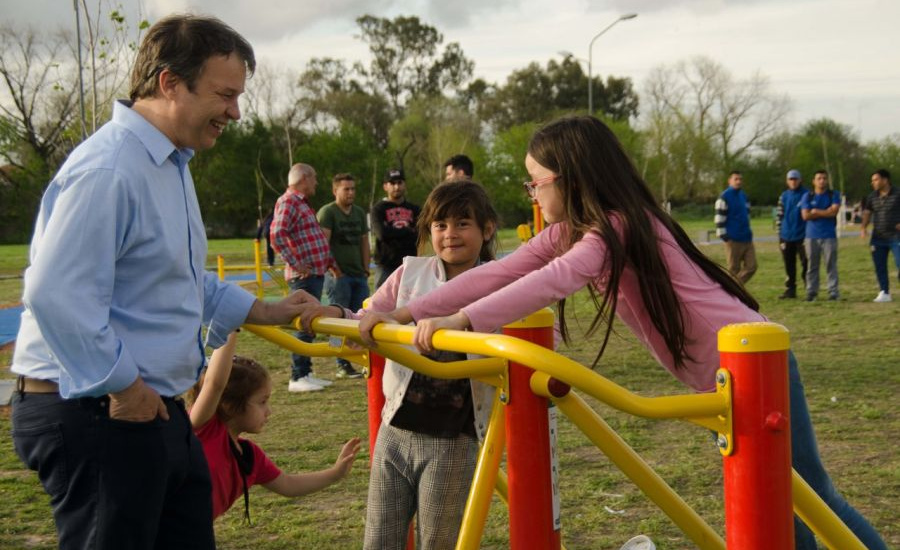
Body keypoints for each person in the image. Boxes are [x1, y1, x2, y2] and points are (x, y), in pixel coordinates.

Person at [357, 116, 888, 550]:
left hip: (754, 366)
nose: (533, 194)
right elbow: (504, 271)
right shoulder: (580, 229)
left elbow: (553, 280)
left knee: (810, 497)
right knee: (783, 500)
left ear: (571, 178)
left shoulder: (616, 227)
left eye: (536, 182)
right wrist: (408, 313)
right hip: (722, 379)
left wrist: (462, 321)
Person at [9, 15, 316, 550]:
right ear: (169, 82)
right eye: (225, 94)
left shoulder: (168, 164)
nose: (235, 112)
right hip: (99, 409)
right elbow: (56, 294)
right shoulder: (111, 169)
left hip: (146, 407)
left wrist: (266, 310)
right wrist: (124, 387)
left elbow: (176, 281)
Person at [302, 179, 498, 550]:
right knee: (379, 538)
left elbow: (537, 329)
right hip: (395, 429)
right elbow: (369, 314)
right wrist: (332, 313)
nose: (450, 234)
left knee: (438, 541)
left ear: (487, 229)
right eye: (440, 225)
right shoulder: (411, 273)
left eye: (462, 223)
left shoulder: (500, 285)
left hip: (453, 437)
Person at [190, 331, 360, 522]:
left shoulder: (250, 456)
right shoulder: (203, 429)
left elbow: (288, 485)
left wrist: (335, 473)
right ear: (229, 404)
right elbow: (215, 383)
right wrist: (230, 325)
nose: (268, 411)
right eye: (262, 402)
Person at [270, 163, 339, 392]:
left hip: (314, 274)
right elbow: (277, 233)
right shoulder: (289, 201)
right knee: (304, 322)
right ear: (305, 178)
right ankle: (298, 376)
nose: (317, 182)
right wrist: (295, 262)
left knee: (310, 323)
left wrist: (328, 262)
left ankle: (306, 372)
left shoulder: (301, 202)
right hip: (303, 277)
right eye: (315, 178)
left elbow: (311, 237)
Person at [317, 173, 370, 378]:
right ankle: (341, 362)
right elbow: (323, 243)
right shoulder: (328, 212)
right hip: (338, 276)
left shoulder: (358, 212)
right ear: (335, 190)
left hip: (358, 274)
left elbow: (364, 242)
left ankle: (361, 358)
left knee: (360, 319)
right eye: (346, 189)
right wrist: (335, 270)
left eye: (353, 188)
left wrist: (366, 268)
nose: (350, 193)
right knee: (337, 322)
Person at [371, 168, 421, 289]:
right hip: (386, 265)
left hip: (410, 264)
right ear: (385, 186)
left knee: (410, 302)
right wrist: (407, 231)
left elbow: (420, 234)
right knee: (381, 304)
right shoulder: (379, 208)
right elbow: (382, 233)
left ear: (405, 184)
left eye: (400, 182)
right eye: (392, 183)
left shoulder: (415, 209)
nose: (396, 187)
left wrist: (393, 232)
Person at [799, 170, 841, 301]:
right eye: (819, 178)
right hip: (811, 236)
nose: (821, 181)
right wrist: (825, 211)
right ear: (814, 181)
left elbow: (834, 212)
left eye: (824, 178)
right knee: (812, 265)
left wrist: (816, 212)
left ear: (827, 180)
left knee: (831, 264)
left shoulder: (833, 194)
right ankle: (812, 292)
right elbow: (805, 215)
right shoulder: (807, 196)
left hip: (829, 235)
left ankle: (833, 291)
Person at [860, 169, 900, 302]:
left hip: (896, 236)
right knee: (880, 266)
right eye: (872, 181)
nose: (873, 183)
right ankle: (884, 292)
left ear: (885, 180)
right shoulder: (872, 196)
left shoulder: (898, 193)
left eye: (876, 180)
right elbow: (867, 212)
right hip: (878, 237)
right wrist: (863, 227)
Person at [714, 170, 757, 284]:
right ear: (730, 181)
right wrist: (725, 237)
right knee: (734, 269)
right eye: (736, 179)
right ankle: (731, 294)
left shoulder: (744, 196)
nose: (738, 181)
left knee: (752, 267)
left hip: (746, 238)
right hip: (733, 239)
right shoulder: (724, 197)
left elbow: (747, 215)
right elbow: (719, 218)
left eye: (740, 179)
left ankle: (733, 288)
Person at [775, 169, 809, 299]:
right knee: (789, 263)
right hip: (786, 235)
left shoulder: (807, 194)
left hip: (803, 235)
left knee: (806, 262)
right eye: (791, 179)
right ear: (787, 181)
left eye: (795, 179)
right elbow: (779, 216)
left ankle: (809, 288)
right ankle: (790, 289)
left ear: (800, 180)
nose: (793, 182)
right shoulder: (783, 196)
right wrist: (780, 234)